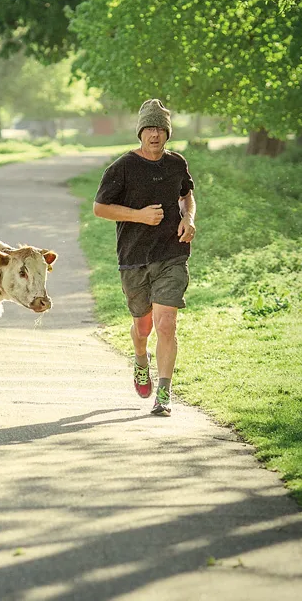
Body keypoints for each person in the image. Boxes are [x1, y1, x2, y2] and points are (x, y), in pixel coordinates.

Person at [93, 99, 196, 416]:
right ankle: (140, 358)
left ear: (167, 133)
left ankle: (164, 395)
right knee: (143, 327)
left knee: (166, 325)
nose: (154, 135)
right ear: (140, 132)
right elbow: (100, 208)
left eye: (160, 129)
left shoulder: (176, 163)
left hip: (171, 254)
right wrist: (138, 216)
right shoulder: (122, 167)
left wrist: (188, 218)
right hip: (134, 258)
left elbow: (186, 195)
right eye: (149, 128)